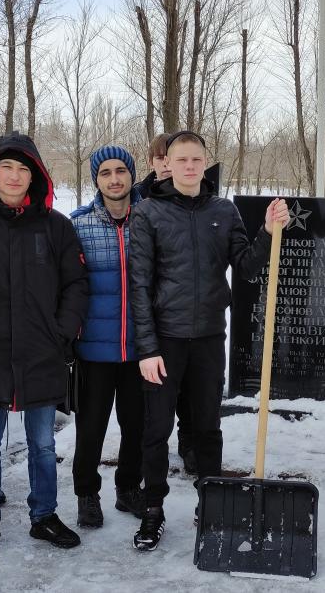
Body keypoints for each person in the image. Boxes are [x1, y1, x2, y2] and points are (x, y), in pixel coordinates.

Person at [127, 130, 289, 551]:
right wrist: (147, 348)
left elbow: (249, 267)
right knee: (156, 428)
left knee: (207, 426)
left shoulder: (224, 211)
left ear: (205, 162)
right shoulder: (148, 213)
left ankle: (212, 501)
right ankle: (153, 510)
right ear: (168, 164)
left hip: (209, 336)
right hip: (164, 339)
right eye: (181, 160)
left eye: (196, 160)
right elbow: (138, 285)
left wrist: (270, 231)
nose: (189, 167)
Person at [0, 132, 89, 549]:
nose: (14, 176)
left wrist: (61, 331)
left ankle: (43, 514)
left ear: (35, 176)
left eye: (23, 169)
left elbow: (76, 284)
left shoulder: (56, 226)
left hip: (41, 353)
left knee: (43, 445)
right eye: (6, 167)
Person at [69, 146, 147, 528]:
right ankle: (87, 494)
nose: (114, 179)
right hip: (93, 351)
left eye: (121, 171)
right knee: (91, 428)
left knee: (137, 426)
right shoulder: (78, 225)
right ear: (96, 180)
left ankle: (129, 488)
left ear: (132, 175)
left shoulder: (149, 221)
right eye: (105, 173)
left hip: (139, 349)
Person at [134, 132, 197, 475]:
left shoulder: (197, 195)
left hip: (186, 314)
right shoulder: (141, 199)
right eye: (159, 159)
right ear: (156, 162)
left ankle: (189, 443)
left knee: (191, 395)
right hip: (152, 315)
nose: (165, 165)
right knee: (156, 400)